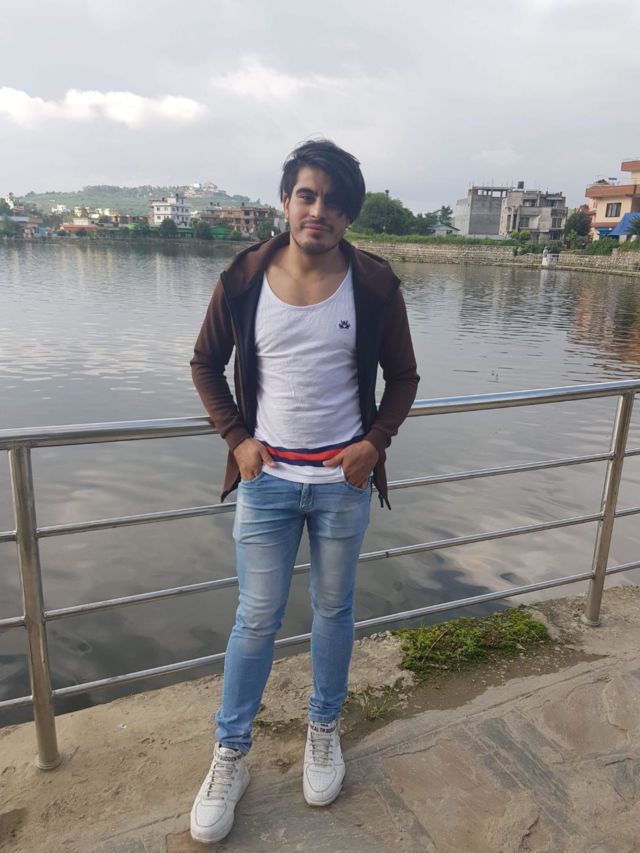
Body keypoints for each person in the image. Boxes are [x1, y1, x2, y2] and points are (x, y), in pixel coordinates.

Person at [189, 139, 419, 843]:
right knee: (256, 618)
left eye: (334, 201)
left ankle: (324, 730)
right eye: (307, 196)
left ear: (349, 214)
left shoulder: (373, 284)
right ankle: (230, 755)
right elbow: (204, 363)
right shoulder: (244, 278)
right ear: (286, 201)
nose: (319, 211)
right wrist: (237, 438)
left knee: (333, 610)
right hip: (266, 482)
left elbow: (404, 377)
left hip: (342, 485)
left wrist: (375, 443)